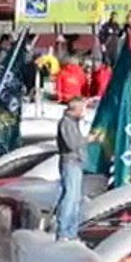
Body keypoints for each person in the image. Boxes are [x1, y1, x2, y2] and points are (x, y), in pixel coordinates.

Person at [54, 97, 88, 241]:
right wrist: (88, 140)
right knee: (70, 197)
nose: (85, 112)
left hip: (76, 163)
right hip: (70, 163)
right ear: (76, 110)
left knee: (75, 198)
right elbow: (72, 143)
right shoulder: (66, 123)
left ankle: (71, 231)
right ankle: (63, 231)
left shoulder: (73, 123)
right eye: (83, 109)